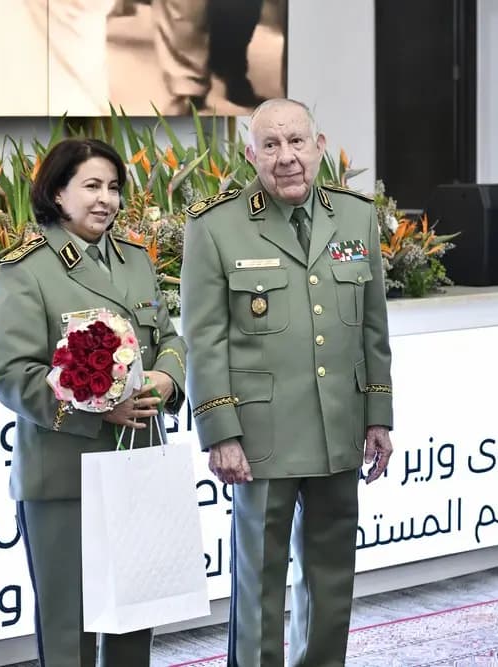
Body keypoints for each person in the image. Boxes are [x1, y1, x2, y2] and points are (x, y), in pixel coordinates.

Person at [179, 98, 395, 666]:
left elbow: (373, 327)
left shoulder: (356, 217)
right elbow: (204, 339)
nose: (286, 157)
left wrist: (378, 416)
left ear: (319, 148)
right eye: (270, 146)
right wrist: (220, 431)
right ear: (251, 155)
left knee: (331, 582)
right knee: (259, 584)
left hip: (339, 428)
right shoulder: (215, 226)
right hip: (260, 437)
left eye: (297, 142)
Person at [0, 138, 187, 667]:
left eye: (114, 188)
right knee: (67, 623)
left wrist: (167, 377)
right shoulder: (26, 269)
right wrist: (96, 408)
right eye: (92, 186)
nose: (106, 200)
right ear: (57, 192)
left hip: (134, 463)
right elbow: (12, 375)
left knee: (132, 617)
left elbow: (169, 336)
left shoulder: (136, 260)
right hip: (63, 474)